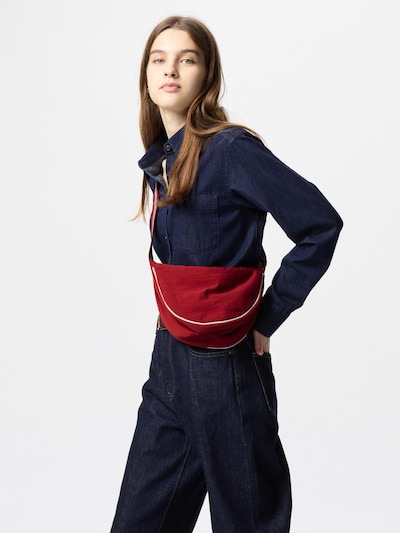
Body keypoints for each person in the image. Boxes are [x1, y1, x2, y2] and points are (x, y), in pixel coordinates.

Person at [110, 15, 343, 533]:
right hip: (168, 363)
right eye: (158, 59)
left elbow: (320, 225)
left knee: (247, 523)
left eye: (186, 59)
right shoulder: (162, 161)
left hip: (226, 365)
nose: (170, 70)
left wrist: (268, 317)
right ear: (145, 75)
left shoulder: (232, 150)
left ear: (207, 75)